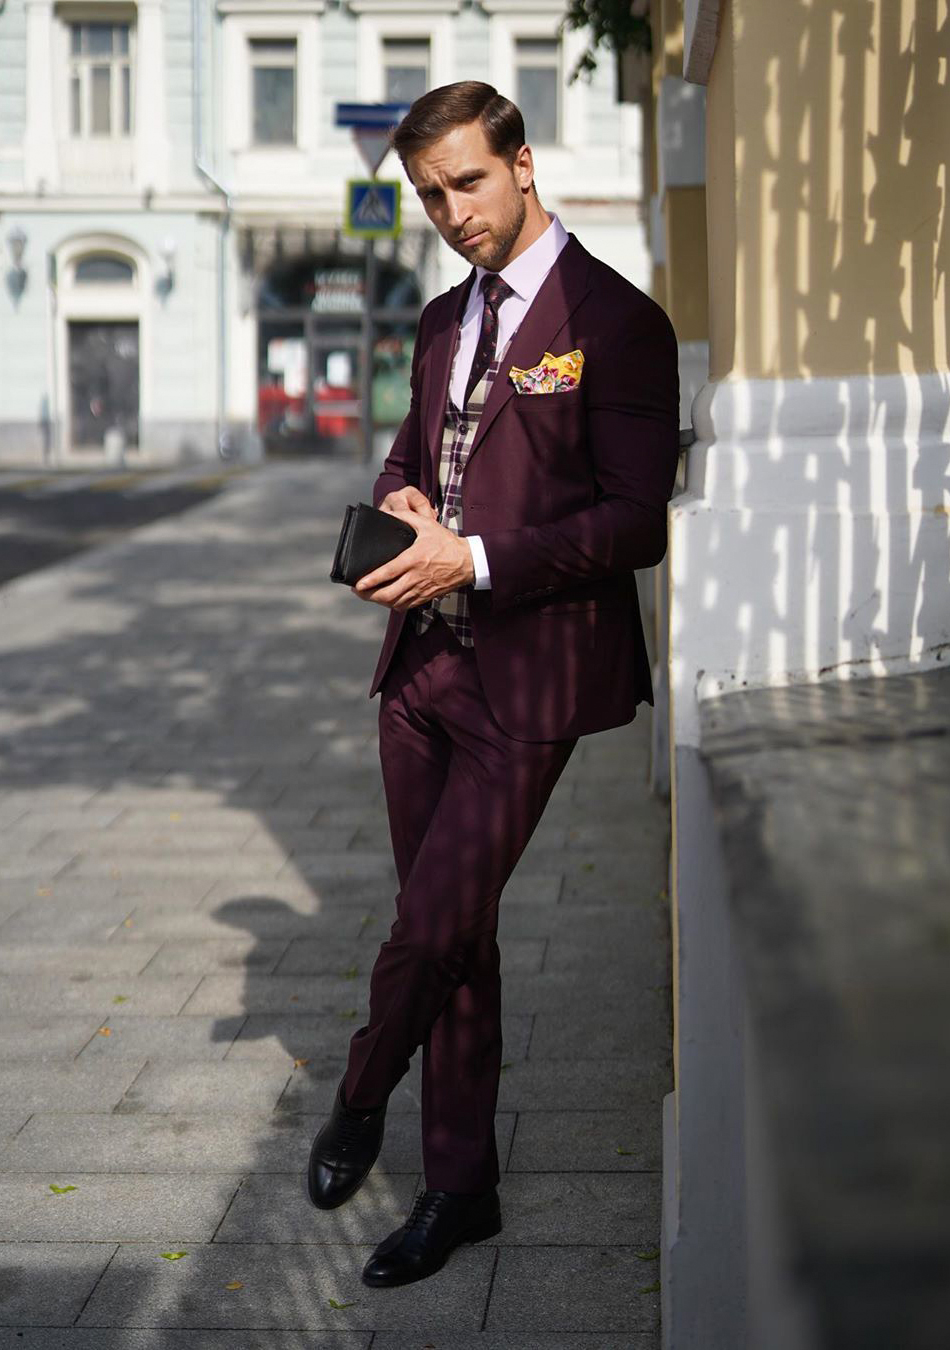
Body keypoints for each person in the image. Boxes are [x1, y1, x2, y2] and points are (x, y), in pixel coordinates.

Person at [307, 80, 680, 1288]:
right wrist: (408, 499)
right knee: (456, 937)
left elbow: (633, 525)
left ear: (522, 163)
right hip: (419, 670)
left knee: (430, 918)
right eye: (429, 194)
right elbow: (414, 452)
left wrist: (471, 555)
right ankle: (462, 1188)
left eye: (468, 182)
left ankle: (361, 1094)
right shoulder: (435, 322)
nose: (451, 212)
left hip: (531, 676)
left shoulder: (615, 322)